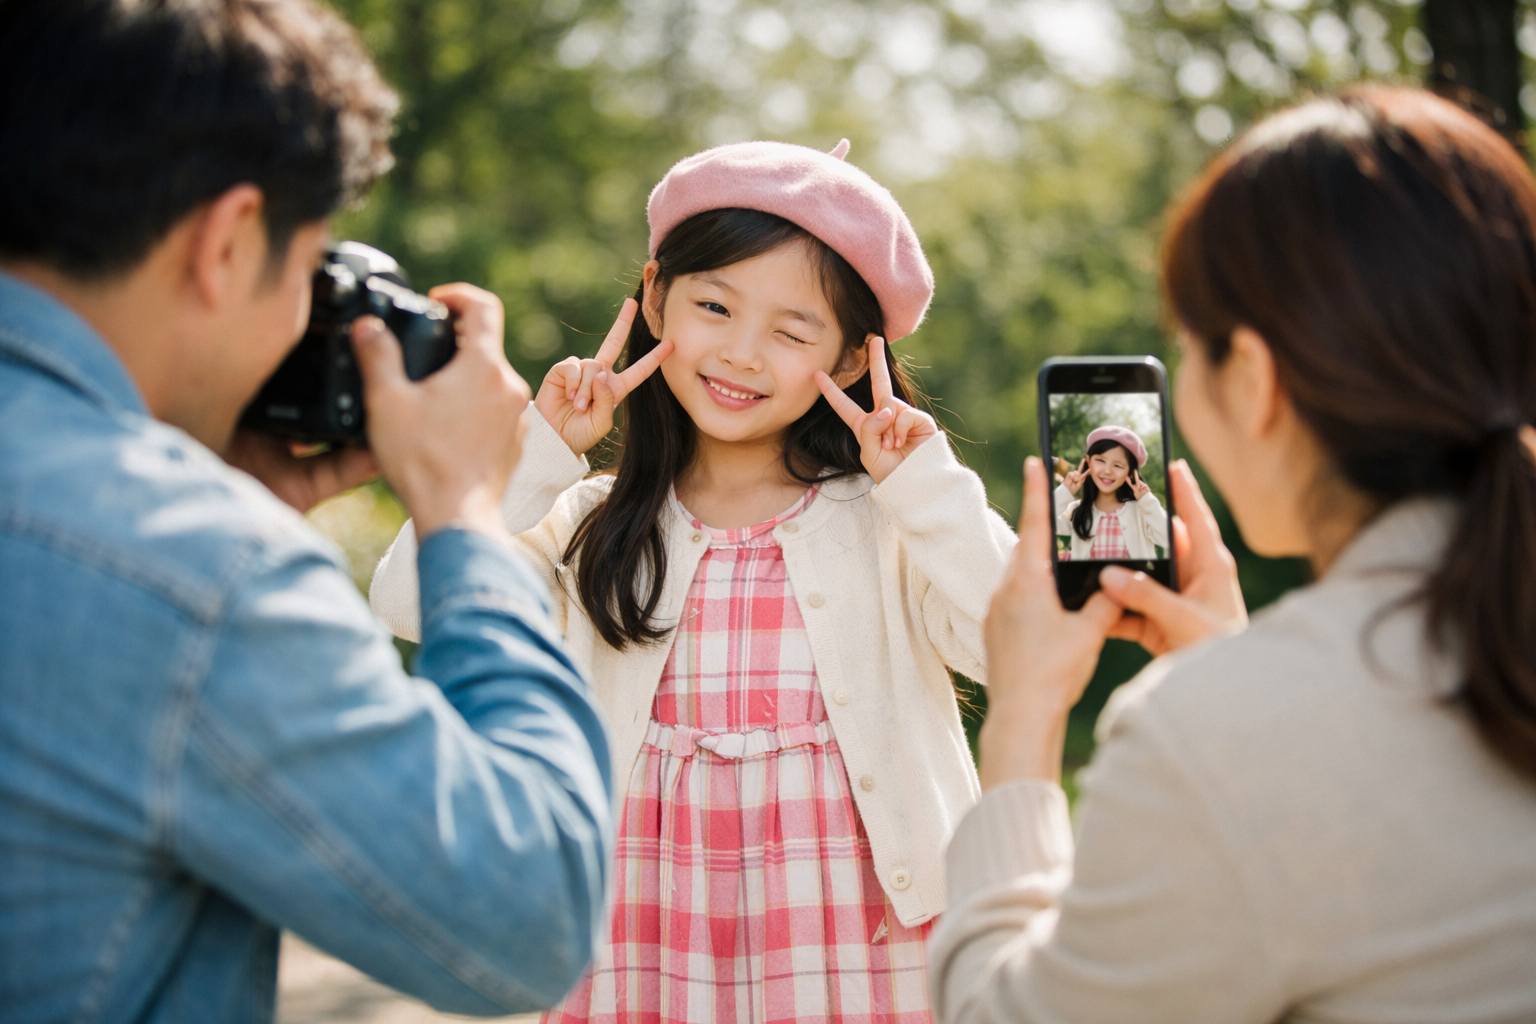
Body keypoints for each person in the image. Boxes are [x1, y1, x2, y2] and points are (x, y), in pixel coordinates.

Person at [0, 1, 612, 1020]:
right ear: (230, 239)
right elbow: (531, 916)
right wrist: (464, 512)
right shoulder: (196, 570)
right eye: (311, 262)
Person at [927, 86, 1536, 1023]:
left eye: (1190, 348)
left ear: (1251, 378)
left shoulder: (1205, 738)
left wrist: (1022, 715)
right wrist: (1231, 668)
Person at [371, 140, 1016, 1022]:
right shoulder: (588, 522)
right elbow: (408, 598)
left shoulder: (891, 522)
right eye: (714, 306)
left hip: (861, 949)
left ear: (856, 361)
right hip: (640, 945)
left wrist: (923, 483)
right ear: (652, 295)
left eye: (793, 332)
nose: (742, 353)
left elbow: (1014, 640)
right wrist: (537, 453)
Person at [1054, 425, 1166, 560]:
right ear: (1088, 463)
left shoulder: (1142, 512)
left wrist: (1146, 500)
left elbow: (1167, 537)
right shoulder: (1076, 511)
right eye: (1100, 461)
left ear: (1130, 473)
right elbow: (1042, 522)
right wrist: (1065, 491)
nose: (1107, 471)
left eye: (1117, 465)